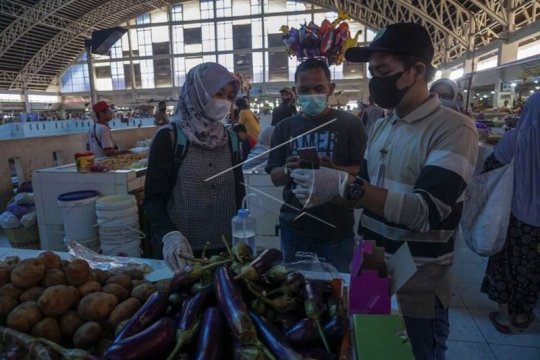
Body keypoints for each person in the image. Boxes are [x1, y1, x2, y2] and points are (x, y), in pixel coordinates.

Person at [290, 23, 478, 360]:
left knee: (419, 351)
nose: (375, 81)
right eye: (372, 71)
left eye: (383, 71)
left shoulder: (453, 129)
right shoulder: (381, 125)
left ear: (416, 70)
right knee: (372, 346)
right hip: (371, 264)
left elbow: (425, 211)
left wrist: (347, 185)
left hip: (418, 278)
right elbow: (365, 190)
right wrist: (327, 178)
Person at [266, 58, 367, 272]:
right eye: (304, 89)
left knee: (337, 292)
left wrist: (334, 169)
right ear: (295, 91)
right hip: (294, 227)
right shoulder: (284, 128)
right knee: (294, 292)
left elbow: (363, 171)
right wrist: (287, 169)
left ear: (331, 88)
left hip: (337, 229)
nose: (312, 95)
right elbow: (275, 177)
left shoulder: (350, 124)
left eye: (318, 88)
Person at [143, 62, 246, 271]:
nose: (224, 102)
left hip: (227, 251)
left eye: (228, 96)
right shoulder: (170, 138)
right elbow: (153, 200)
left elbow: (239, 192)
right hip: (183, 254)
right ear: (198, 92)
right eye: (218, 93)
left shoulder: (232, 140)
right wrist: (169, 235)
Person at [480, 92, 540, 334]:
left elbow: (490, 167)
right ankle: (523, 314)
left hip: (514, 216)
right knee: (534, 268)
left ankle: (505, 316)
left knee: (504, 263)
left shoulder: (516, 138)